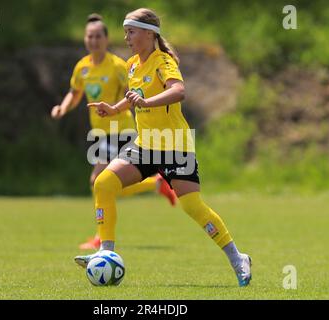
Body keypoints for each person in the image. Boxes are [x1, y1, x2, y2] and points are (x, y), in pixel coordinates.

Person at [74, 8, 252, 286]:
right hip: (145, 145)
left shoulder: (163, 61)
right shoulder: (132, 64)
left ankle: (237, 257)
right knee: (103, 183)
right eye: (126, 31)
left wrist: (147, 102)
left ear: (149, 33)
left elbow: (178, 90)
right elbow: (137, 97)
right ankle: (105, 253)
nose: (127, 37)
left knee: (192, 206)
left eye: (131, 31)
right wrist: (116, 107)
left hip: (173, 144)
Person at [51, 13, 177, 250]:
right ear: (85, 39)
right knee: (104, 183)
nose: (94, 40)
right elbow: (75, 92)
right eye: (90, 36)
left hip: (121, 129)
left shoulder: (119, 66)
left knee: (99, 180)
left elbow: (137, 91)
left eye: (98, 36)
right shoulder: (82, 68)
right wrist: (62, 108)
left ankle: (102, 236)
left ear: (106, 39)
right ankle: (157, 184)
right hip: (100, 133)